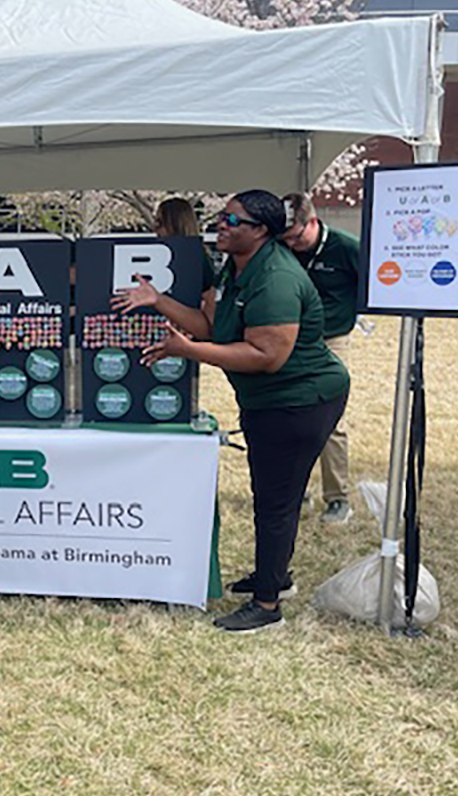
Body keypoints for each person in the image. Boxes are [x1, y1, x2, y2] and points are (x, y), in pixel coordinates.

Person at [113, 190, 349, 632]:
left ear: (261, 230)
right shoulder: (237, 266)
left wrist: (189, 351)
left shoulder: (276, 278)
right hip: (269, 402)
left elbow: (267, 356)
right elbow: (213, 328)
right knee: (273, 496)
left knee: (276, 502)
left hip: (300, 400)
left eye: (233, 220)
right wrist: (157, 299)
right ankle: (274, 576)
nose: (221, 224)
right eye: (222, 216)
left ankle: (267, 606)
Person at [280, 192, 361, 524]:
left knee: (330, 419)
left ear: (313, 222)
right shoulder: (283, 248)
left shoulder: (346, 248)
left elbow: (374, 283)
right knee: (287, 414)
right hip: (289, 340)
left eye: (296, 237)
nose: (292, 245)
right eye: (286, 239)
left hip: (331, 340)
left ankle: (337, 497)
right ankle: (295, 492)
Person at [153, 196, 220, 296]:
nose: (154, 228)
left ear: (176, 224)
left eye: (160, 223)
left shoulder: (198, 258)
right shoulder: (156, 255)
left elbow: (208, 295)